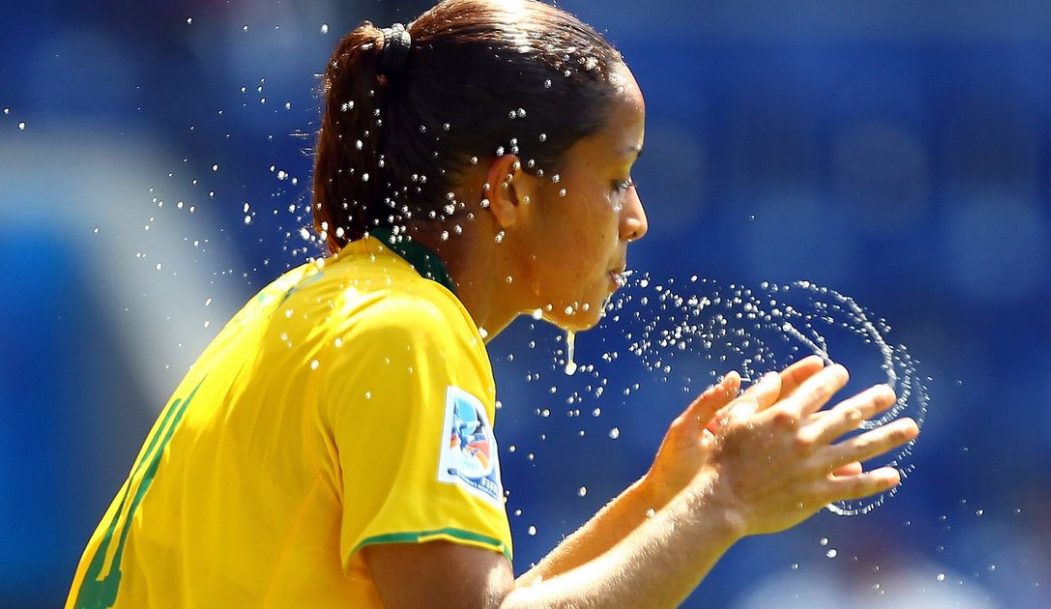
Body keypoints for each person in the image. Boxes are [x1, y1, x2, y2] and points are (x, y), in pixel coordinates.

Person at [66, 1, 919, 607]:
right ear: (511, 190)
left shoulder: (332, 297)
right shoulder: (408, 333)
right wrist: (722, 503)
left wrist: (662, 501)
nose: (637, 217)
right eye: (616, 176)